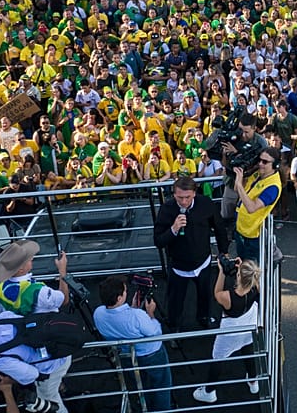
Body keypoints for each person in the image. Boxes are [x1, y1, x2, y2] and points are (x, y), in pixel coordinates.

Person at [153, 174, 230, 330]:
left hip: (202, 261)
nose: (184, 201)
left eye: (187, 197)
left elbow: (220, 228)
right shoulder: (167, 209)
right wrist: (173, 229)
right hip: (178, 265)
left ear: (194, 193)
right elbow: (158, 241)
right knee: (175, 300)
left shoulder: (205, 204)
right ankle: (175, 328)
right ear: (174, 194)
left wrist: (224, 252)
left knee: (204, 295)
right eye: (179, 197)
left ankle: (204, 318)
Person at [93, 274, 172, 413]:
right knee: (161, 385)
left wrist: (133, 307)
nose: (126, 292)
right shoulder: (137, 316)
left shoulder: (98, 313)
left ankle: (144, 405)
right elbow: (155, 332)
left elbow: (123, 322)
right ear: (119, 298)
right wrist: (151, 314)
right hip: (151, 354)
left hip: (125, 355)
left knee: (139, 383)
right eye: (124, 291)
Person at [191, 258, 263, 404]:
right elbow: (248, 278)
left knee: (218, 357)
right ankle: (253, 382)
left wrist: (222, 272)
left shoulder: (227, 297)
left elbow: (216, 292)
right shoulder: (256, 285)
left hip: (230, 332)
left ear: (238, 276)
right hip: (250, 323)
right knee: (248, 349)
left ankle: (209, 391)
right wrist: (243, 268)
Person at [0, 239, 69, 316]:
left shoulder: (0, 287)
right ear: (20, 269)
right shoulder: (39, 292)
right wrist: (62, 270)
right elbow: (64, 300)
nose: (32, 258)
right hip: (43, 324)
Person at [232, 149, 282, 263]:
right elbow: (237, 190)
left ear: (275, 165)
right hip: (240, 226)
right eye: (259, 160)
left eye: (265, 162)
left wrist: (239, 184)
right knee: (240, 262)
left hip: (251, 234)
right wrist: (239, 177)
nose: (260, 164)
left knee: (250, 269)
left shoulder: (273, 187)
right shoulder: (258, 174)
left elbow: (251, 208)